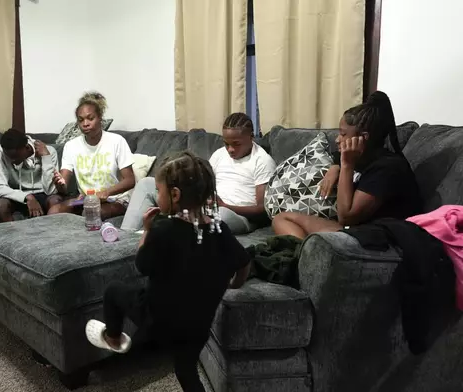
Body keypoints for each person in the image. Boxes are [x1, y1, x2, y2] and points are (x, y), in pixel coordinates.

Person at [85, 151, 250, 392]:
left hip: (159, 322)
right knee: (186, 370)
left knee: (113, 291)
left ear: (175, 195)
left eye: (159, 192)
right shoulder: (220, 228)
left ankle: (113, 337)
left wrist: (147, 230)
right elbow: (243, 262)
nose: (157, 197)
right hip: (198, 326)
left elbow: (141, 265)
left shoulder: (163, 230)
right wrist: (234, 284)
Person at [272, 91, 423, 239]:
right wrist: (335, 167)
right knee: (281, 218)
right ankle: (305, 253)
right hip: (360, 229)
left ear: (363, 138)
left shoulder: (387, 168)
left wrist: (346, 166)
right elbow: (337, 156)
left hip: (378, 236)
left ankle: (304, 252)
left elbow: (347, 217)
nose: (337, 139)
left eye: (343, 134)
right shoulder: (367, 157)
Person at [120, 112, 276, 234]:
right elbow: (203, 181)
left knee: (220, 214)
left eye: (236, 144)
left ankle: (165, 230)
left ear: (251, 137)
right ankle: (125, 238)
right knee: (147, 183)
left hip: (238, 216)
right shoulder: (220, 154)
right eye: (226, 143)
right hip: (208, 206)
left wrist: (225, 205)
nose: (230, 150)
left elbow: (262, 210)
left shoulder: (262, 161)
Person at [49, 92, 135, 220]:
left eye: (90, 118)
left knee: (94, 213)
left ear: (100, 118)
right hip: (85, 201)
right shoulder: (71, 146)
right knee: (54, 212)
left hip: (115, 200)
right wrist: (61, 184)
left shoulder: (117, 141)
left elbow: (130, 180)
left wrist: (106, 193)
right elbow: (64, 184)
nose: (85, 123)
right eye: (81, 120)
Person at [0, 128, 61, 222]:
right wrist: (26, 197)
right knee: (0, 205)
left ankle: (53, 235)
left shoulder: (49, 151)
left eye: (15, 157)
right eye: (9, 157)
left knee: (55, 201)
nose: (11, 161)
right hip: (16, 195)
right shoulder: (1, 151)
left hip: (43, 194)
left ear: (27, 148)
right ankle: (11, 236)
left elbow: (51, 190)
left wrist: (45, 157)